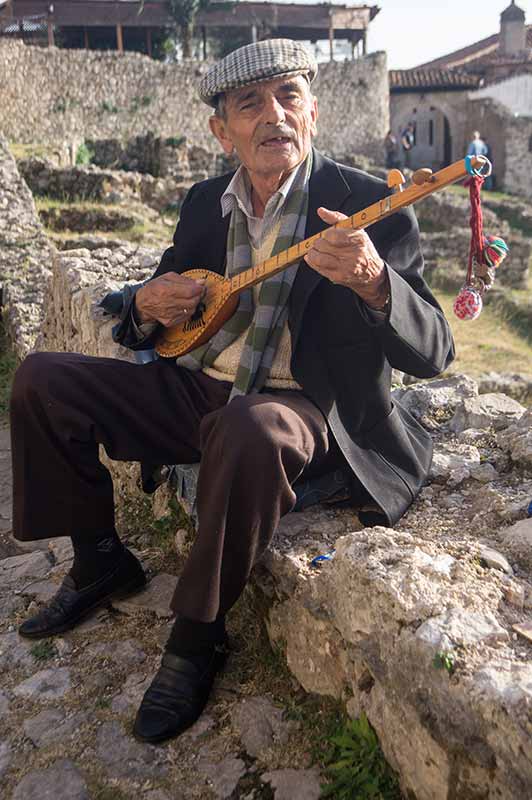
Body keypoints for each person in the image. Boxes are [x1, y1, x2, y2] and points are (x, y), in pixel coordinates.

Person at [10, 39, 454, 745]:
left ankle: (197, 636)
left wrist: (375, 284)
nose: (274, 115)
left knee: (250, 427)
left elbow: (434, 348)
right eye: (251, 103)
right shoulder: (200, 207)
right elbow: (144, 319)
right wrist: (146, 306)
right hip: (200, 391)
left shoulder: (372, 205)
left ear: (313, 111)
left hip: (302, 409)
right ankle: (98, 561)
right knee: (42, 379)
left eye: (289, 96)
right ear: (223, 130)